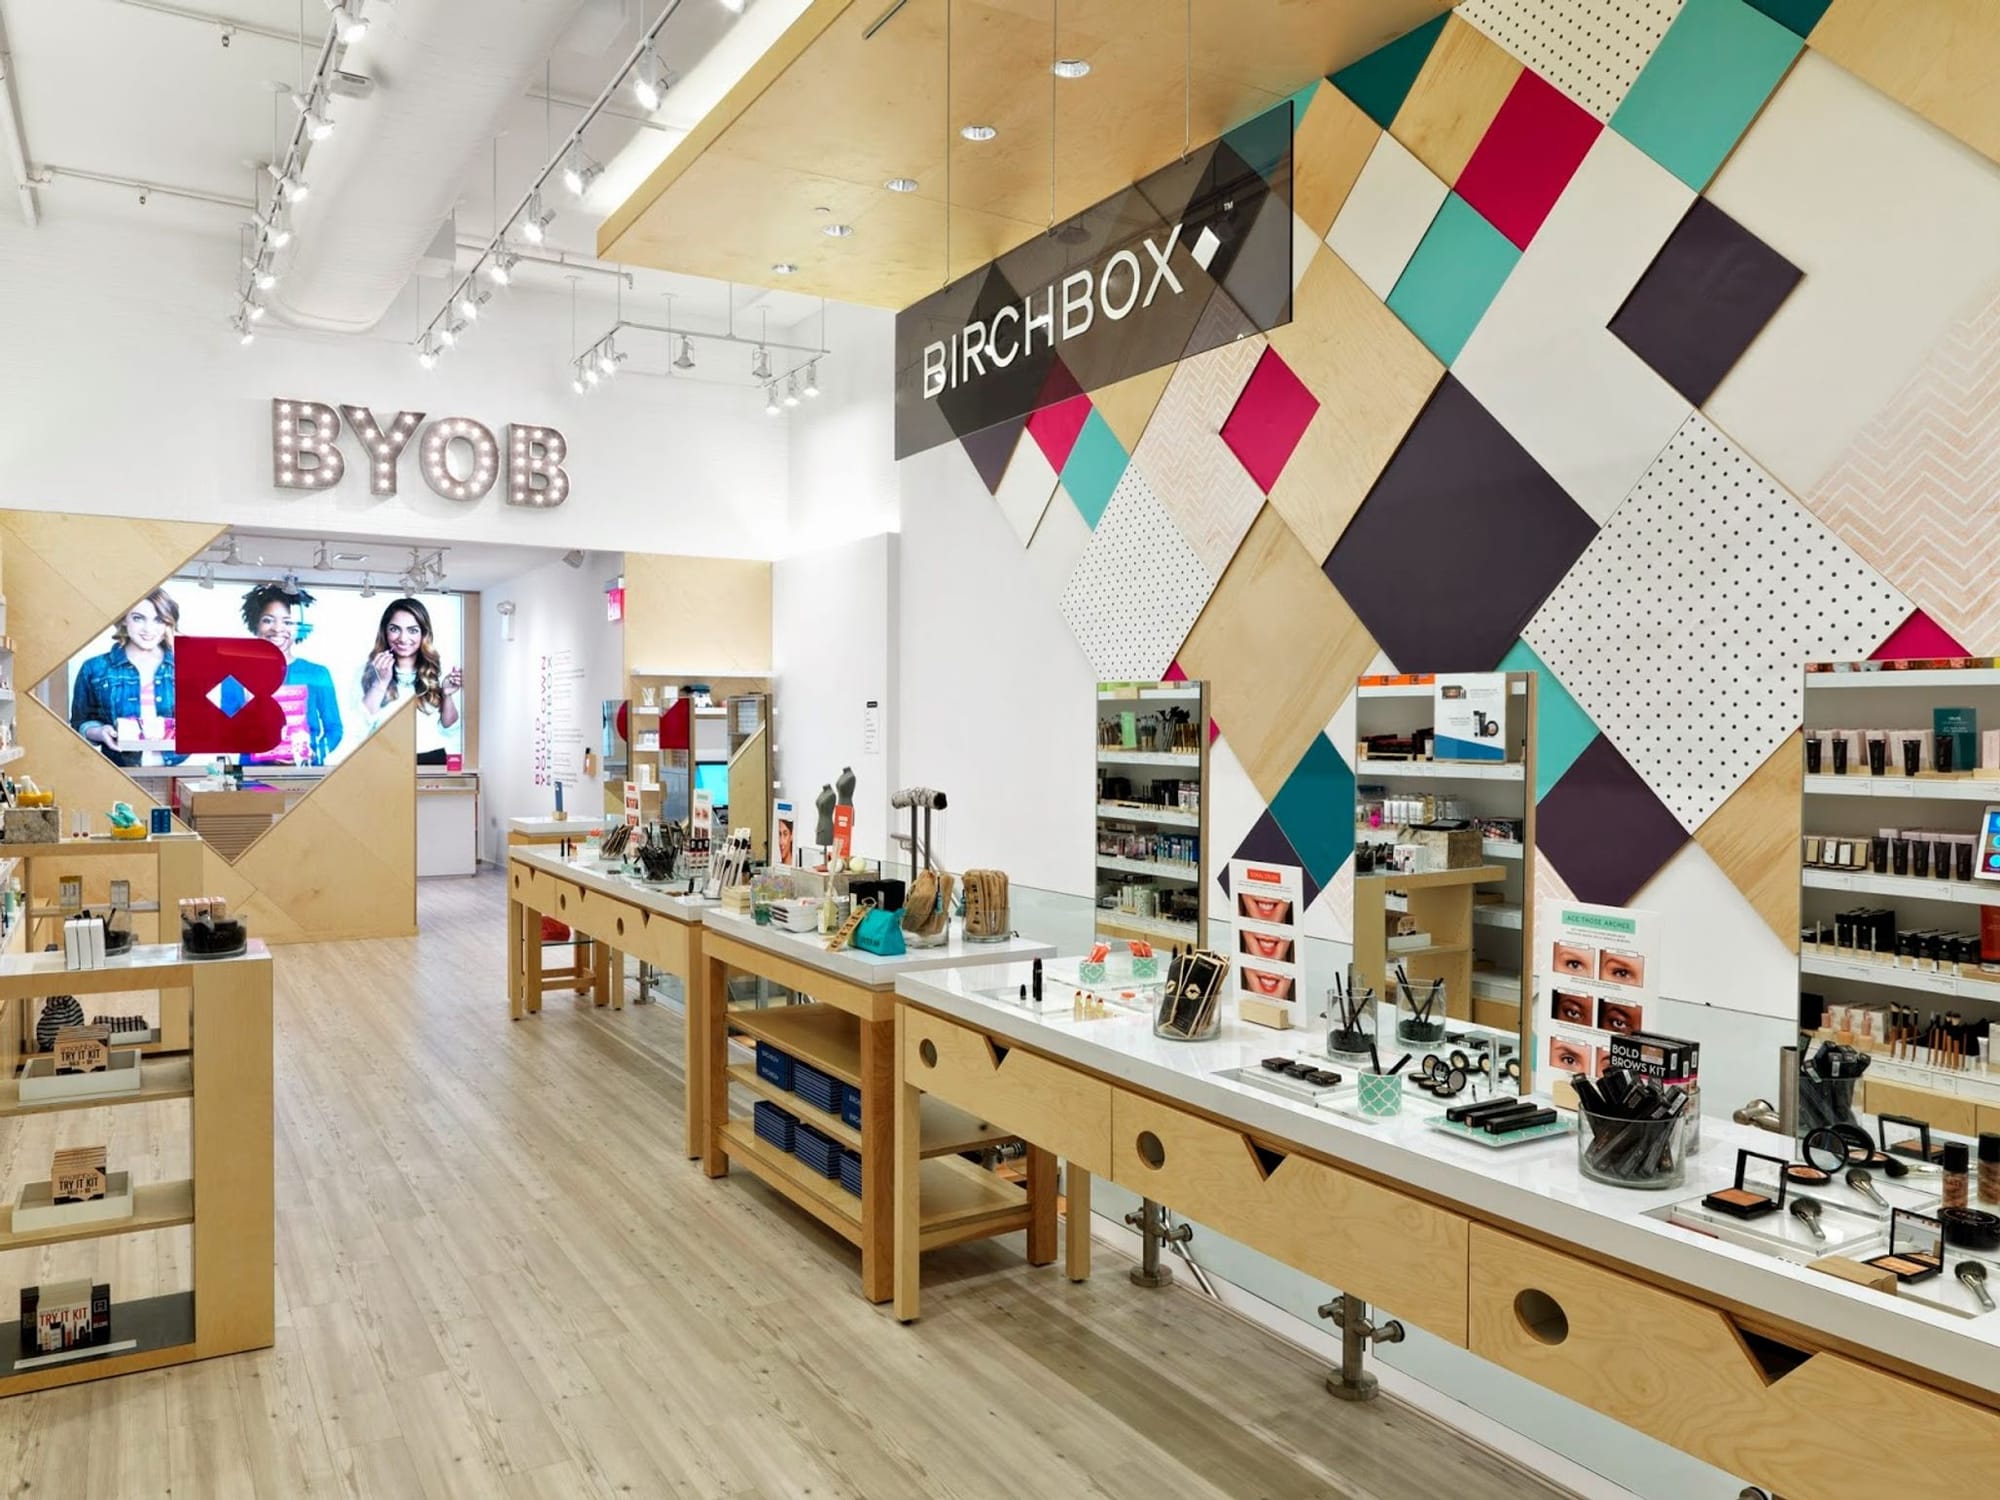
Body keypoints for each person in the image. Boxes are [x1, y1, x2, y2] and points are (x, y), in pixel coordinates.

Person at [70, 587, 181, 767]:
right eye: (138, 618)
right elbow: (79, 723)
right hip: (117, 771)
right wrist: (100, 732)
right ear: (123, 619)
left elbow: (205, 722)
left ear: (168, 622)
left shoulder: (185, 666)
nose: (148, 629)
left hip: (176, 771)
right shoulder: (94, 668)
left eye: (159, 620)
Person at [241, 582, 343, 766]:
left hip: (305, 773)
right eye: (268, 620)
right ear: (255, 623)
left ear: (299, 628)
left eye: (287, 622)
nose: (277, 629)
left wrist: (314, 754)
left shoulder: (317, 674)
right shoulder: (238, 675)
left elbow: (334, 729)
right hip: (252, 773)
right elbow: (223, 731)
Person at [361, 597, 462, 766]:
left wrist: (447, 695)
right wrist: (381, 683)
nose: (403, 638)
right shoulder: (370, 669)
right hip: (384, 757)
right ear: (385, 631)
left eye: (413, 630)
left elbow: (449, 725)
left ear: (424, 634)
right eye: (395, 629)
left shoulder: (437, 669)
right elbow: (361, 722)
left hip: (431, 756)